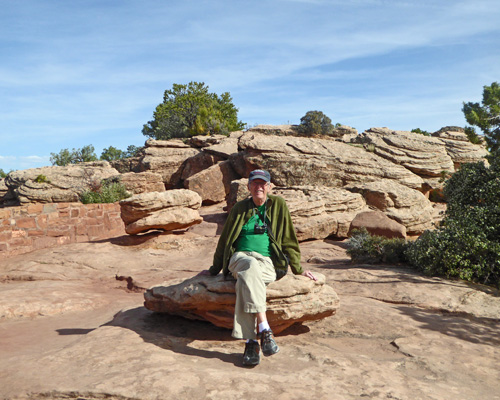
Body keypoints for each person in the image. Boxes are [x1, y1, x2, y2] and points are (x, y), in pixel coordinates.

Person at [199, 169, 317, 366]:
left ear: (270, 187)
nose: (259, 187)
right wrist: (214, 269)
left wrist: (298, 269)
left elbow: (289, 238)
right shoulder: (239, 208)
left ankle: (251, 342)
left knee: (246, 281)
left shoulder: (278, 205)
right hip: (240, 258)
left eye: (263, 183)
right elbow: (225, 240)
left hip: (268, 263)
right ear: (248, 187)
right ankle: (264, 328)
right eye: (255, 183)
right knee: (249, 265)